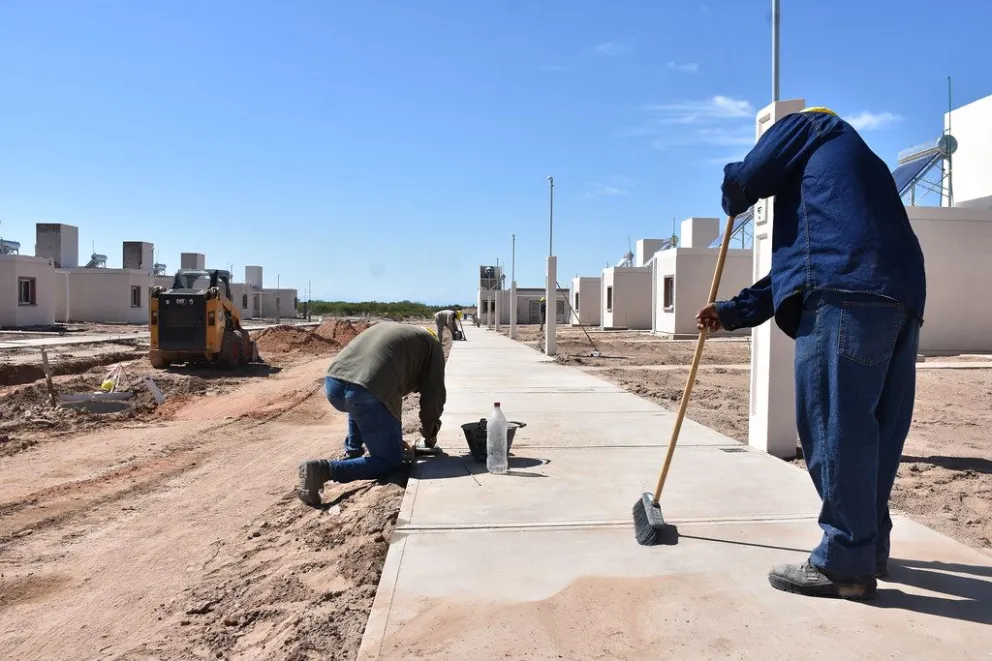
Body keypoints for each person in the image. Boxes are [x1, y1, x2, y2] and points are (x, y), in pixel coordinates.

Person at [696, 107, 926, 600]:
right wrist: (733, 311)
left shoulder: (814, 125)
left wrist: (732, 190)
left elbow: (747, 178)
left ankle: (844, 561)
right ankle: (870, 547)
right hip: (899, 299)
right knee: (874, 434)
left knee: (834, 426)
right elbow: (807, 264)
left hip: (843, 300)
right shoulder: (861, 173)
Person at [297, 322, 446, 507]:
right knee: (390, 461)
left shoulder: (395, 331)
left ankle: (353, 453)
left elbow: (364, 379)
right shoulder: (433, 347)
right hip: (367, 390)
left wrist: (388, 434)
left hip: (334, 383)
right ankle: (322, 470)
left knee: (359, 400)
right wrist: (430, 436)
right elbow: (434, 398)